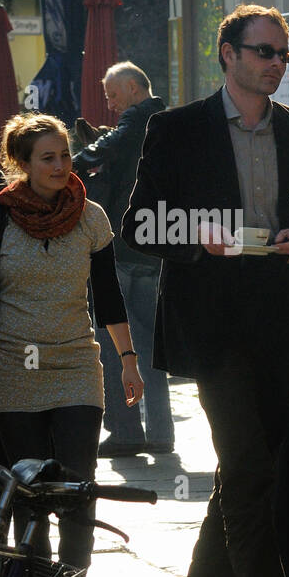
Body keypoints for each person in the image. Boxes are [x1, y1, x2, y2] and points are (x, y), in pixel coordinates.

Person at [121, 4, 289, 577]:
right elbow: (139, 226)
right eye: (263, 51)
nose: (275, 63)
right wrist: (196, 234)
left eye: (283, 55)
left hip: (275, 321)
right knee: (250, 473)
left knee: (242, 480)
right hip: (209, 328)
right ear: (228, 53)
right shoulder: (175, 130)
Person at [0, 113, 141, 577]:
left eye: (65, 155)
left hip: (76, 366)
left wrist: (129, 360)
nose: (59, 165)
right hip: (13, 368)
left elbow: (109, 295)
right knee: (30, 489)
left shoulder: (91, 216)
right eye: (47, 158)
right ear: (22, 164)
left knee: (76, 484)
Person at [73, 62, 172, 458]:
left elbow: (113, 143)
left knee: (115, 342)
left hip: (123, 247)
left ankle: (128, 431)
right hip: (157, 246)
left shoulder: (138, 118)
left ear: (133, 88)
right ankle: (162, 432)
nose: (111, 104)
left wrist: (79, 159)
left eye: (113, 95)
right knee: (149, 344)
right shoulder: (170, 122)